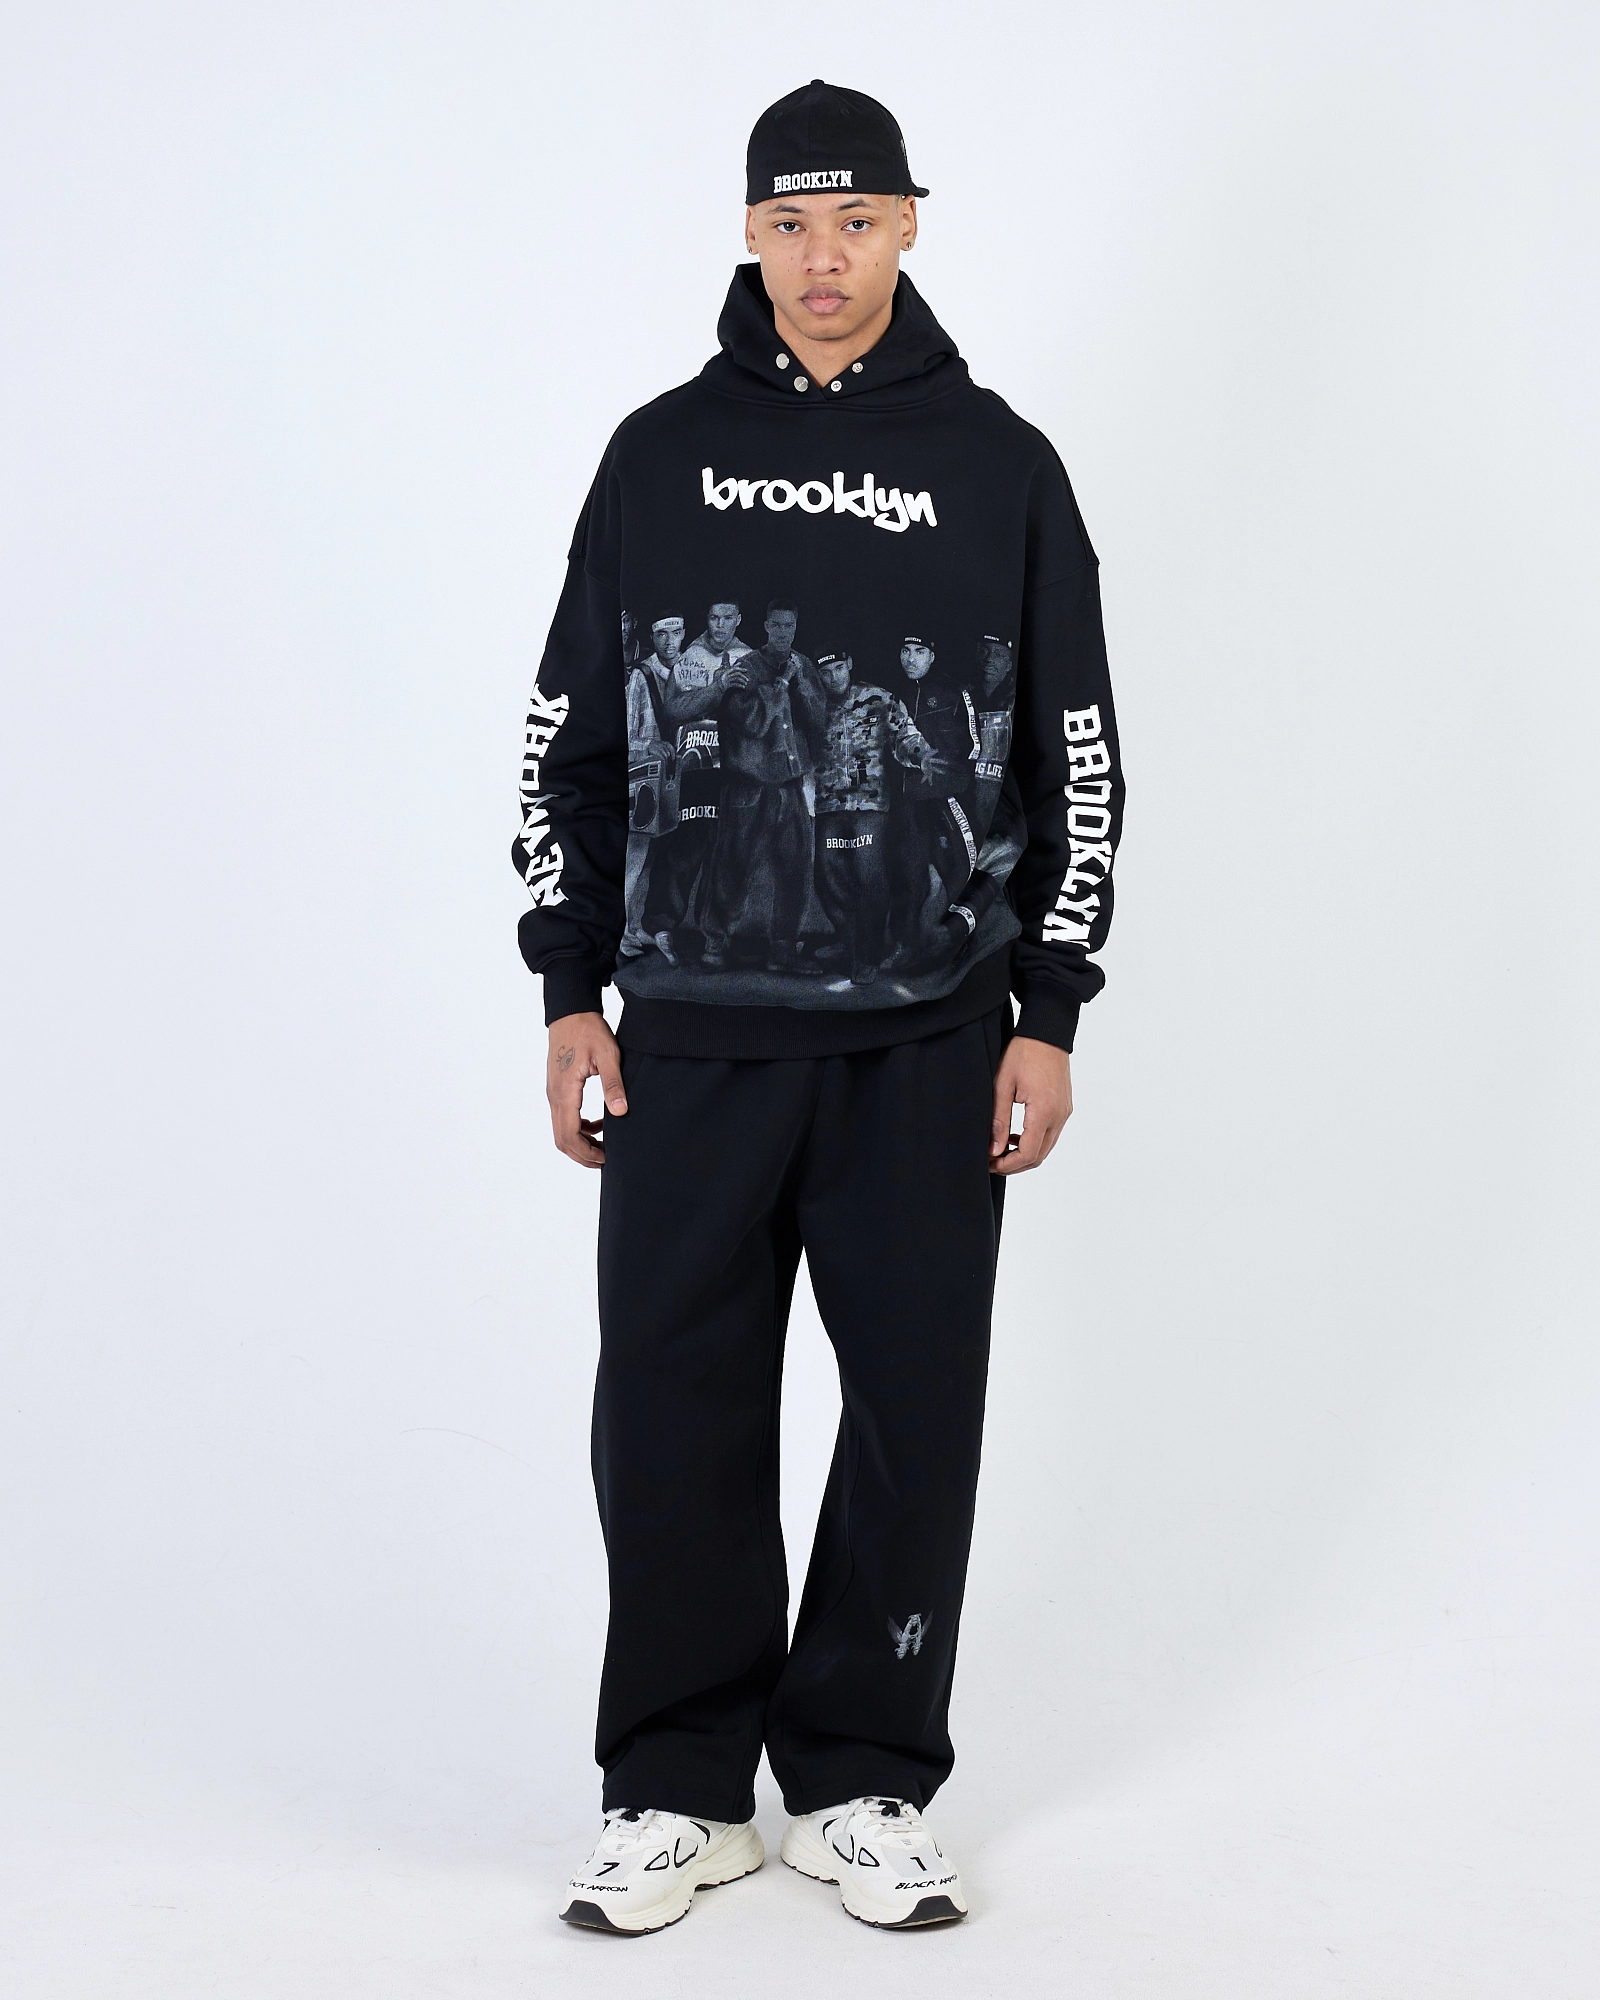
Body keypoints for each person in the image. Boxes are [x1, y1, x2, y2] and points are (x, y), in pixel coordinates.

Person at [511, 78, 1124, 1935]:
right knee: (670, 1408)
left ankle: (863, 1776)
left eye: (856, 219)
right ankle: (676, 1785)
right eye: (791, 222)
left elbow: (1077, 757)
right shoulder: (657, 456)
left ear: (910, 226)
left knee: (914, 1409)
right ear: (750, 233)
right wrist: (567, 984)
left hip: (932, 1034)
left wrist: (1050, 1009)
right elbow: (568, 741)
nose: (824, 256)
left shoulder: (1004, 466)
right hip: (690, 1032)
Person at [697, 600, 825, 974]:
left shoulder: (802, 665)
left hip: (789, 784)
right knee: (733, 865)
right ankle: (716, 943)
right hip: (748, 785)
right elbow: (750, 723)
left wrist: (800, 684)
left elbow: (818, 719)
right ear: (766, 626)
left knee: (795, 868)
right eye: (777, 625)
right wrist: (780, 687)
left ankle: (783, 950)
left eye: (790, 626)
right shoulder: (746, 667)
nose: (784, 632)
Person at [811, 649, 943, 983]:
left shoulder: (878, 699)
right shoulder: (812, 704)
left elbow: (905, 736)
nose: (834, 677)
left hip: (869, 806)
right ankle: (851, 942)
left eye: (839, 668)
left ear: (849, 664)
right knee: (828, 878)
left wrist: (924, 756)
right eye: (826, 672)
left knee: (869, 878)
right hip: (827, 806)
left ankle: (866, 957)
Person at [643, 600, 753, 962]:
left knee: (725, 854)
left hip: (736, 769)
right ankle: (661, 926)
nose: (720, 625)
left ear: (739, 620)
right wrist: (716, 690)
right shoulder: (689, 657)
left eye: (727, 618)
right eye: (713, 617)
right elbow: (673, 710)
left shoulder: (749, 657)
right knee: (683, 849)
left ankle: (715, 939)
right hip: (693, 768)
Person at [618, 615, 682, 958]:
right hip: (628, 772)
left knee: (646, 855)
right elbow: (625, 734)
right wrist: (647, 745)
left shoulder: (646, 669)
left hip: (650, 772)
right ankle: (620, 933)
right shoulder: (638, 674)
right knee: (632, 855)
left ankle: (633, 927)